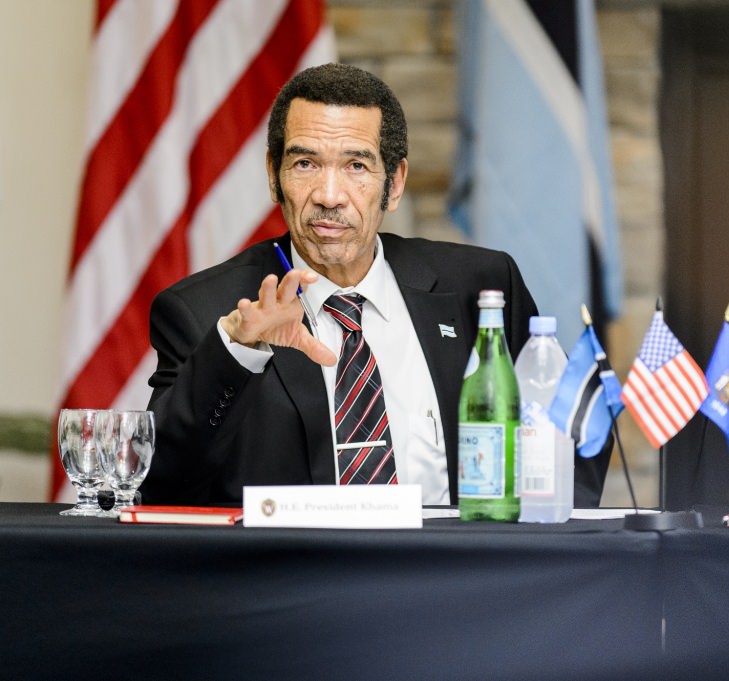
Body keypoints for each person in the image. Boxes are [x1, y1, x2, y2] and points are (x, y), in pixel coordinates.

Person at [139, 63, 610, 508]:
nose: (328, 195)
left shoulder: (481, 288)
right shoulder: (205, 314)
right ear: (273, 176)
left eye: (356, 167)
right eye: (305, 164)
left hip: (453, 581)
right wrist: (237, 351)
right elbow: (158, 483)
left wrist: (538, 558)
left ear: (395, 182)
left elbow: (574, 428)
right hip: (294, 585)